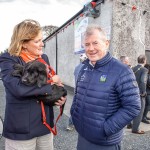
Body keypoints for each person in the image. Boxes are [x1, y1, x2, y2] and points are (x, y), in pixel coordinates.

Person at [70, 24, 141, 150]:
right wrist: (74, 115)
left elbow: (133, 107)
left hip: (104, 143)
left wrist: (106, 129)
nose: (91, 48)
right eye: (87, 44)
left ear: (106, 43)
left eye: (95, 43)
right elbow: (78, 95)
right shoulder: (84, 68)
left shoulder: (122, 71)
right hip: (83, 137)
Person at [0, 19, 66, 150]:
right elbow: (18, 88)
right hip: (21, 130)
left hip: (45, 125)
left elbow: (47, 88)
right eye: (37, 41)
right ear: (23, 43)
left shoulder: (43, 58)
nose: (42, 44)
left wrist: (58, 98)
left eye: (42, 40)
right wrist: (51, 82)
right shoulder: (9, 59)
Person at [66, 53, 87, 131]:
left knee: (76, 108)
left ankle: (71, 124)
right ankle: (73, 124)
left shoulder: (77, 67)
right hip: (83, 92)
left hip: (77, 90)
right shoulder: (86, 67)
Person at [132, 55, 148, 133]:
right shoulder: (144, 70)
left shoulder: (133, 68)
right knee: (140, 111)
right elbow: (143, 81)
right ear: (144, 60)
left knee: (131, 109)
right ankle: (135, 129)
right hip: (139, 93)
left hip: (131, 92)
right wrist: (143, 92)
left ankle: (129, 124)